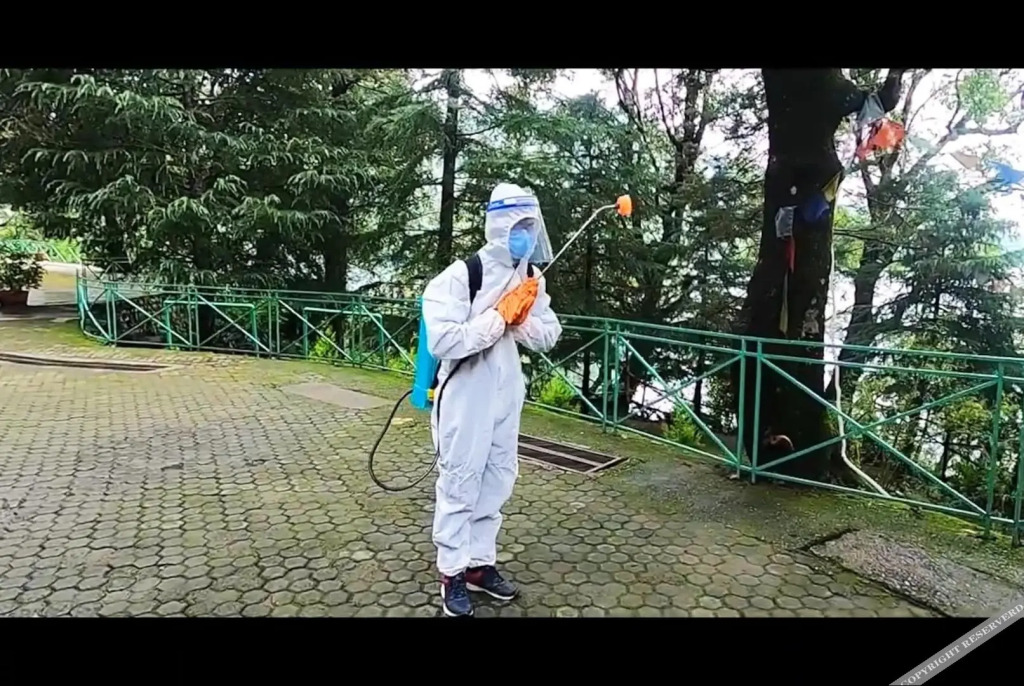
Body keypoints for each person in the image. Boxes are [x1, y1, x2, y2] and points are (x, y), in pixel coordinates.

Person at [421, 182, 563, 617]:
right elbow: (443, 340)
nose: (526, 235)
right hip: (465, 395)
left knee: (498, 477)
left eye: (531, 227)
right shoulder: (463, 275)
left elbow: (550, 333)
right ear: (500, 226)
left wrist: (522, 322)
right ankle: (452, 572)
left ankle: (479, 565)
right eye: (519, 227)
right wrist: (498, 318)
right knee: (460, 480)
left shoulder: (530, 277)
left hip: (506, 394)